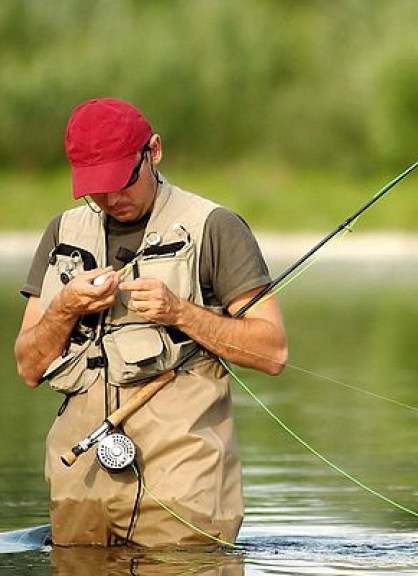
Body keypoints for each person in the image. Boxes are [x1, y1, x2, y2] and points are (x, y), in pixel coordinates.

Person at [14, 97, 288, 547]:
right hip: (78, 483)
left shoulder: (215, 227)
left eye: (122, 181)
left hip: (184, 489)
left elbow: (273, 351)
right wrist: (64, 306)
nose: (111, 199)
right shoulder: (61, 233)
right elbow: (28, 367)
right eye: (95, 188)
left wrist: (179, 311)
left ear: (153, 151)